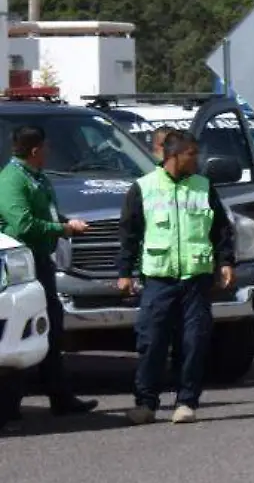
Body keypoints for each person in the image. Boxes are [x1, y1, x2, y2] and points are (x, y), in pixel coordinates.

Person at [115, 131, 235, 425]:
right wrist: (124, 272)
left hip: (196, 278)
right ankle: (146, 404)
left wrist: (226, 261)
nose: (197, 159)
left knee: (194, 341)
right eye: (191, 154)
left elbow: (220, 229)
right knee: (152, 341)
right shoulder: (143, 188)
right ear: (173, 156)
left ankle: (186, 402)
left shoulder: (204, 187)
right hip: (159, 279)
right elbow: (130, 234)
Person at [0, 125, 99, 420]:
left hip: (41, 261)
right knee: (23, 332)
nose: (49, 152)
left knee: (51, 330)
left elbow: (46, 214)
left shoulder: (37, 178)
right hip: (20, 270)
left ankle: (60, 396)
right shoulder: (12, 181)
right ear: (35, 150)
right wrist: (63, 229)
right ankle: (10, 407)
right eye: (46, 147)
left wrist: (66, 222)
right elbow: (21, 226)